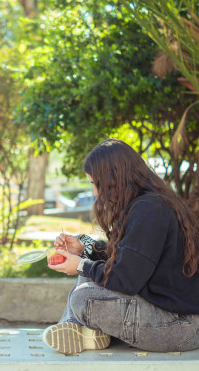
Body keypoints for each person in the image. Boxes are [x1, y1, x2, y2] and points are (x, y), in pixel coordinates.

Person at [43, 138, 199, 354]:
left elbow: (125, 279)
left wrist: (80, 265)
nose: (95, 193)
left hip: (179, 326)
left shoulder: (149, 210)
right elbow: (132, 255)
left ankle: (75, 328)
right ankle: (81, 331)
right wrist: (85, 247)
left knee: (83, 296)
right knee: (91, 268)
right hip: (169, 315)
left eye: (95, 183)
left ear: (113, 179)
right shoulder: (148, 204)